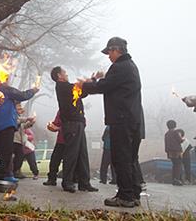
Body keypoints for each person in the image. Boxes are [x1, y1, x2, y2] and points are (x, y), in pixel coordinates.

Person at [78, 37, 143, 208]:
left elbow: (103, 86)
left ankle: (125, 196)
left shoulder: (120, 66)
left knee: (121, 158)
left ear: (116, 50)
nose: (108, 56)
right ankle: (134, 194)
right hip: (133, 119)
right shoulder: (131, 66)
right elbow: (110, 83)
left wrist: (83, 85)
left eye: (109, 52)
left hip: (122, 120)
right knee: (130, 158)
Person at [51, 66, 98, 193]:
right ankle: (67, 182)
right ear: (59, 76)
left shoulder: (68, 88)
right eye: (64, 73)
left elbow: (83, 92)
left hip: (78, 123)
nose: (66, 74)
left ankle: (84, 183)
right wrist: (93, 79)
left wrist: (90, 82)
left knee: (82, 154)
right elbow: (80, 87)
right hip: (71, 124)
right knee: (71, 154)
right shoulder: (62, 87)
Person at [0, 81, 38, 182]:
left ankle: (5, 174)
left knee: (3, 151)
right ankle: (1, 175)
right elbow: (22, 95)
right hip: (6, 123)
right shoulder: (5, 89)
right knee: (6, 152)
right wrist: (33, 90)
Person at [12, 103, 36, 179]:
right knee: (13, 156)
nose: (21, 109)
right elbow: (17, 122)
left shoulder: (19, 117)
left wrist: (32, 122)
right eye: (18, 108)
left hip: (19, 141)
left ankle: (15, 171)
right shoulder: (13, 115)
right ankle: (12, 172)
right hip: (13, 139)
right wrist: (27, 119)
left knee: (20, 156)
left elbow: (24, 126)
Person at [43, 110, 65, 186]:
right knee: (54, 161)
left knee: (69, 162)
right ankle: (51, 179)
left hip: (71, 141)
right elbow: (56, 123)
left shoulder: (75, 108)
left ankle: (69, 180)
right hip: (60, 141)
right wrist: (51, 126)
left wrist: (59, 128)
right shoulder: (60, 111)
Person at [164, 120, 183, 186]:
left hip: (170, 151)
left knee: (174, 165)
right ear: (174, 125)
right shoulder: (175, 132)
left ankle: (174, 179)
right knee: (178, 165)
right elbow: (180, 140)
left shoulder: (166, 134)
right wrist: (182, 138)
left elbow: (166, 143)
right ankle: (177, 180)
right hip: (176, 151)